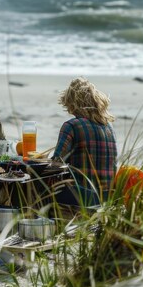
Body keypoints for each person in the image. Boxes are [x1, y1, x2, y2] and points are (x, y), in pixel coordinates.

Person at [52, 77, 117, 205]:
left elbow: (56, 164)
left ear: (71, 103)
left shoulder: (72, 126)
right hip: (108, 197)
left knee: (40, 187)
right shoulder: (109, 127)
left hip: (83, 197)